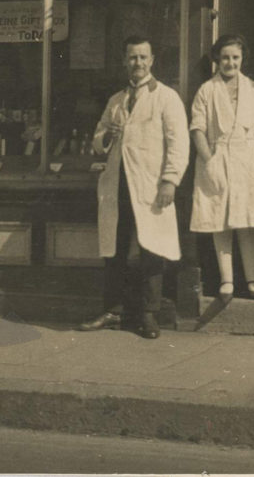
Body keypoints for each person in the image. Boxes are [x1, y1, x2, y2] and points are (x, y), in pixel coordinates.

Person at [79, 36, 189, 339]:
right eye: (132, 58)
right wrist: (107, 135)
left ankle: (148, 314)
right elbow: (97, 143)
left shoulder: (167, 98)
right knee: (114, 248)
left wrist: (170, 180)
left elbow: (179, 144)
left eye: (143, 57)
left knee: (151, 248)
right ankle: (114, 310)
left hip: (151, 186)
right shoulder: (116, 100)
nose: (137, 63)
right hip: (118, 185)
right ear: (124, 61)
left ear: (152, 61)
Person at [190, 34, 254, 302]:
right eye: (225, 57)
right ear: (217, 59)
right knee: (220, 220)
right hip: (217, 157)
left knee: (246, 221)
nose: (230, 62)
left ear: (242, 58)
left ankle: (252, 279)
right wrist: (209, 160)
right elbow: (197, 129)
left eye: (235, 57)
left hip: (247, 159)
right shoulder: (207, 90)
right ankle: (227, 280)